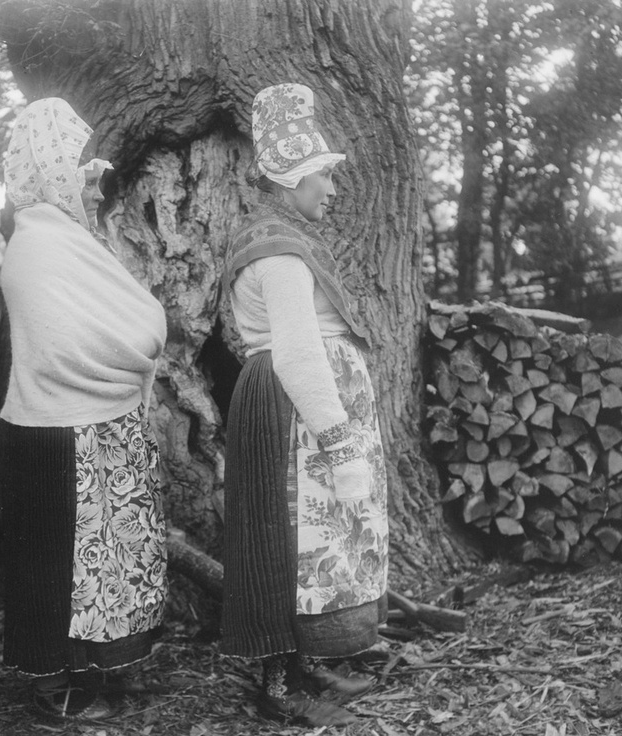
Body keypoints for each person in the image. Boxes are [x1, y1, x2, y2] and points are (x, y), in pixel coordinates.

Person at [220, 83, 390, 727]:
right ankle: (277, 683)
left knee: (299, 537)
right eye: (323, 175)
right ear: (291, 178)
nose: (332, 188)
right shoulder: (279, 253)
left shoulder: (282, 239)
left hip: (292, 409)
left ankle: (302, 663)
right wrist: (339, 441)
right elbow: (296, 354)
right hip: (293, 412)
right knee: (283, 540)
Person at [0, 98, 168, 722]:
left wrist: (140, 339)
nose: (95, 193)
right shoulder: (38, 246)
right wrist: (138, 349)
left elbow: (131, 316)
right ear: (50, 173)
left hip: (96, 425)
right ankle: (52, 687)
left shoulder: (67, 239)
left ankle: (87, 670)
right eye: (82, 175)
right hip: (58, 429)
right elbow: (69, 346)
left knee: (95, 561)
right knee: (57, 559)